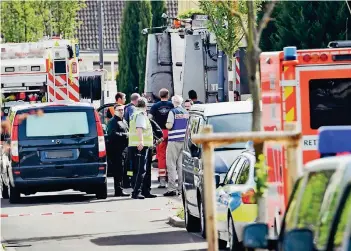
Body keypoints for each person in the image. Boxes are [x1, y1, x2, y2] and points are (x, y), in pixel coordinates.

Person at [129, 97, 154, 199]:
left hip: (136, 144)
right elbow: (139, 128)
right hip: (140, 145)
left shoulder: (134, 114)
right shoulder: (140, 115)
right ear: (145, 105)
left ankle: (145, 191)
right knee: (141, 170)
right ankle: (136, 192)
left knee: (141, 169)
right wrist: (141, 141)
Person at [149, 88, 174, 188]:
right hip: (171, 132)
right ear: (168, 96)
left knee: (161, 156)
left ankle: (162, 179)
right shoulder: (172, 105)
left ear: (160, 96)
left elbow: (149, 118)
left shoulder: (155, 106)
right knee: (171, 155)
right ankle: (171, 177)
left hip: (160, 133)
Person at [164, 95, 189, 196]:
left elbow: (169, 126)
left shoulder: (172, 112)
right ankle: (180, 188)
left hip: (174, 140)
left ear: (173, 102)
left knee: (171, 164)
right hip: (183, 140)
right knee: (180, 166)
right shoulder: (186, 112)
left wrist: (166, 125)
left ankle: (171, 188)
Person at [106, 104, 130, 197]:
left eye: (122, 110)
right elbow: (112, 134)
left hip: (123, 148)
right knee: (118, 170)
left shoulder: (124, 121)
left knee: (122, 170)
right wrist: (125, 135)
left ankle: (121, 188)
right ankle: (118, 190)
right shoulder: (113, 121)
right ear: (115, 111)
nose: (121, 111)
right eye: (119, 110)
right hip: (116, 150)